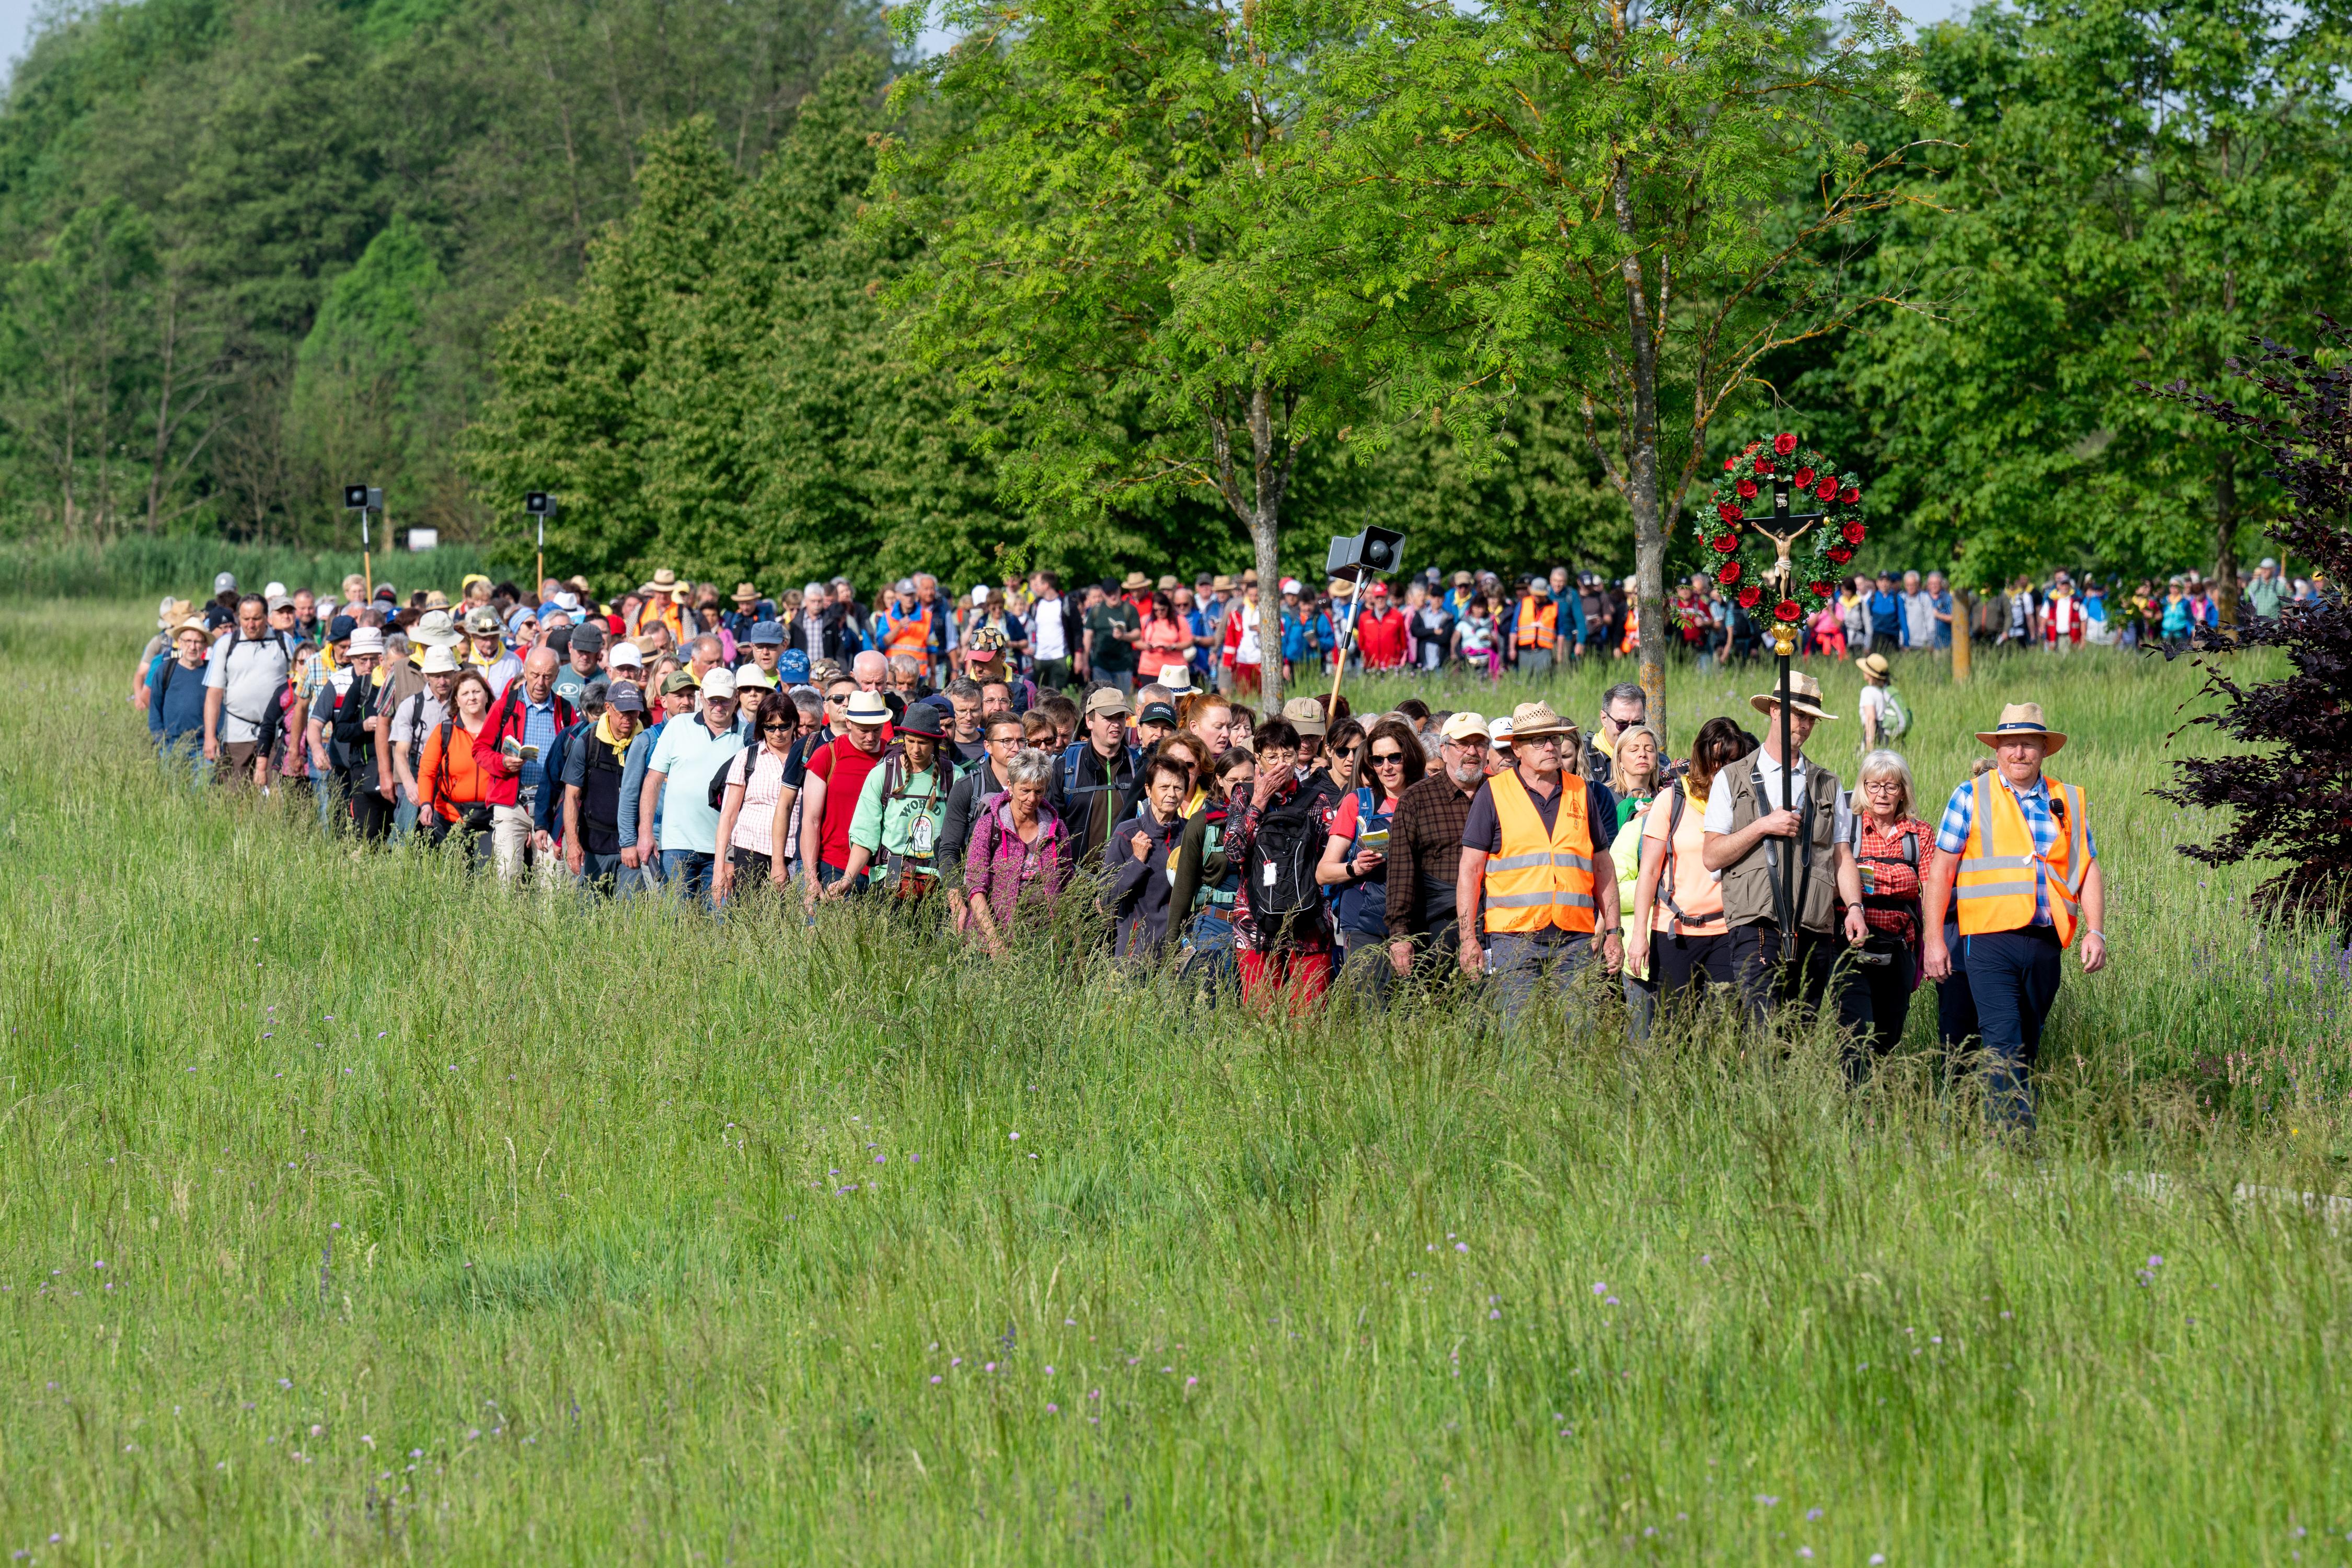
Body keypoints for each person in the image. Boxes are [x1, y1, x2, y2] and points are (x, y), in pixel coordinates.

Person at [1920, 704, 2107, 1129]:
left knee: (2026, 1043)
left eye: (2027, 744)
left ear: (2044, 749)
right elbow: (1941, 871)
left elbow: (2087, 868)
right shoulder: (1970, 795)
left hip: (2045, 944)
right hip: (1988, 941)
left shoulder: (2067, 800)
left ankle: (1998, 1134)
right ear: (1997, 749)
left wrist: (2095, 931)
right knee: (2002, 1040)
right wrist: (1934, 940)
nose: (2018, 753)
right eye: (2009, 745)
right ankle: (2014, 1147)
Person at [1700, 671, 1871, 1028]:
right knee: (1763, 1032)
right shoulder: (1731, 778)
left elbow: (1842, 856)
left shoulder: (1828, 783)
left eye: (1811, 718)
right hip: (1756, 925)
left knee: (1800, 1034)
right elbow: (1712, 856)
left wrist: (1854, 908)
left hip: (1814, 926)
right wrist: (1763, 826)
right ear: (1775, 710)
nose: (1805, 725)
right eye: (1798, 714)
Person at [1455, 702, 1622, 1025]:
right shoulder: (1493, 793)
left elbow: (1603, 867)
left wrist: (1613, 930)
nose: (1550, 747)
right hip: (1513, 939)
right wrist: (1468, 938)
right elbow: (1470, 872)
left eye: (1555, 740)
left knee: (1579, 1034)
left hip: (1574, 937)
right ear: (1516, 748)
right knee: (1519, 1037)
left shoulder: (1582, 791)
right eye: (1538, 741)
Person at [1627, 717, 1749, 1035]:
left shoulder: (1745, 804)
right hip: (1674, 933)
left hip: (1727, 931)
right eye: (1716, 760)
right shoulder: (1673, 799)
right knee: (1671, 1033)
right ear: (1701, 757)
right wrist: (1639, 935)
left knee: (1720, 1031)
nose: (1722, 770)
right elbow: (1649, 872)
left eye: (1731, 762)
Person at [1225, 717, 1336, 1009]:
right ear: (1258, 758)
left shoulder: (1316, 799)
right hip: (1255, 921)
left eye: (1287, 756)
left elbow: (1330, 856)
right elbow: (1234, 852)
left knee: (1309, 1017)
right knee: (1262, 1016)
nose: (1280, 764)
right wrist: (1259, 802)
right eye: (1272, 757)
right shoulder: (1244, 795)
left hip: (1309, 920)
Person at [1846, 748, 1935, 1081]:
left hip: (1900, 948)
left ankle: (1877, 1090)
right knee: (1855, 1029)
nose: (1882, 795)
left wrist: (1932, 942)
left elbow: (1930, 889)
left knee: (1889, 1032)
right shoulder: (1849, 829)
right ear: (1863, 788)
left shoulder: (1920, 835)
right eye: (1873, 786)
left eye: (1891, 786)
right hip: (1851, 946)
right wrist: (1897, 879)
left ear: (1904, 791)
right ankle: (1856, 1104)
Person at [1319, 715, 1424, 994]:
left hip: (1420, 920)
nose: (1386, 767)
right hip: (1365, 922)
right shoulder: (1358, 803)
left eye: (1394, 758)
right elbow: (1324, 872)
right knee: (1372, 1013)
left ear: (1410, 757)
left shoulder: (1427, 799)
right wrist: (1355, 868)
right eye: (1378, 760)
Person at [1383, 711, 1486, 986]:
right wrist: (1400, 936)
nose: (1472, 752)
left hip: (1497, 923)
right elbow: (1401, 874)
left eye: (1480, 744)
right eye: (1462, 744)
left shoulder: (1500, 793)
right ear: (1444, 749)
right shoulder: (1416, 800)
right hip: (1437, 926)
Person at [639, 666, 745, 905]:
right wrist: (645, 832)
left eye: (725, 700)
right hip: (677, 844)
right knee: (674, 921)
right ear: (702, 697)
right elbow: (653, 781)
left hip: (724, 850)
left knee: (721, 921)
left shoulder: (747, 736)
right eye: (713, 700)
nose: (718, 706)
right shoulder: (678, 727)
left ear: (736, 698)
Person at [836, 699, 953, 906]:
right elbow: (866, 835)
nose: (916, 749)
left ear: (935, 742)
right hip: (891, 872)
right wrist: (848, 879)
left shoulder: (953, 776)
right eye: (911, 741)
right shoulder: (883, 774)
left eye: (923, 743)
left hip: (939, 879)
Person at [472, 647, 574, 882]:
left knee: (554, 880)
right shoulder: (505, 707)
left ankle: (549, 920)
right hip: (512, 802)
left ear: (557, 675)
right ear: (525, 672)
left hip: (550, 804)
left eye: (547, 676)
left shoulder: (566, 711)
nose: (540, 682)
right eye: (535, 675)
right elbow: (479, 750)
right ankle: (506, 919)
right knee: (506, 875)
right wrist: (502, 763)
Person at [961, 748, 1070, 957]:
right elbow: (976, 886)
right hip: (993, 938)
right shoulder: (989, 825)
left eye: (1039, 792)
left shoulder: (1057, 829)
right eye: (1025, 791)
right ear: (1010, 786)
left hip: (1044, 942)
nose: (1032, 798)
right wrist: (994, 941)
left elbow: (1067, 885)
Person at [798, 688, 894, 906]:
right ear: (849, 723)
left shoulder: (893, 758)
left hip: (881, 870)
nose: (871, 737)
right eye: (864, 730)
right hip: (834, 866)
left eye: (877, 730)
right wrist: (811, 878)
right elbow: (811, 820)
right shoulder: (826, 755)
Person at [560, 678, 647, 894]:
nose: (629, 718)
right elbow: (571, 797)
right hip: (593, 846)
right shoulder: (587, 742)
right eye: (623, 712)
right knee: (588, 915)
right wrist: (572, 844)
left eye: (634, 712)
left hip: (632, 847)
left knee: (629, 918)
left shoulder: (648, 742)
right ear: (608, 708)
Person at [1104, 752, 1192, 957]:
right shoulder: (1128, 834)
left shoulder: (1190, 834)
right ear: (1148, 790)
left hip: (1178, 953)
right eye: (1164, 787)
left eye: (1178, 788)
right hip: (1135, 953)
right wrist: (1136, 861)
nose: (1171, 794)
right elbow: (1106, 895)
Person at [203, 594, 291, 788]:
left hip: (277, 735)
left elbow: (297, 685)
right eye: (245, 619)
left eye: (256, 619)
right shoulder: (226, 645)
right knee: (234, 796)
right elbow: (214, 694)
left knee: (276, 797)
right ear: (238, 618)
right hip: (237, 734)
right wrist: (210, 737)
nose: (251, 625)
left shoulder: (283, 641)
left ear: (267, 617)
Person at [1058, 687, 1140, 868]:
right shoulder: (1066, 767)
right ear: (1089, 721)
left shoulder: (1138, 766)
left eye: (1120, 717)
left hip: (1125, 879)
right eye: (1108, 718)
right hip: (1074, 881)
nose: (1116, 724)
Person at [389, 645, 460, 839]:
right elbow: (401, 752)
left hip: (453, 776)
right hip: (418, 772)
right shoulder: (412, 705)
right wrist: (411, 786)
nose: (443, 681)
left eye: (447, 675)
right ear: (427, 675)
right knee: (407, 835)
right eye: (437, 676)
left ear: (454, 673)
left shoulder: (462, 703)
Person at [148, 617, 214, 766]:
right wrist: (161, 741)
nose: (193, 647)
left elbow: (221, 708)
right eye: (188, 641)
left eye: (197, 642)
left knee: (202, 789)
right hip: (172, 746)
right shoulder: (165, 670)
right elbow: (155, 708)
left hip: (204, 748)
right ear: (180, 643)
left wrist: (216, 739)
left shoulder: (212, 672)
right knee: (172, 790)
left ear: (205, 646)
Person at [1587, 682, 1645, 783]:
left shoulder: (1652, 759)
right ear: (1604, 718)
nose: (1630, 730)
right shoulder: (1583, 758)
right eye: (1622, 723)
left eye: (1637, 723)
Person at [1855, 652, 1907, 751]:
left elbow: (1871, 719)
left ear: (1870, 674)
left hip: (1878, 738)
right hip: (1892, 740)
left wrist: (1869, 749)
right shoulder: (1889, 690)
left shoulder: (1868, 692)